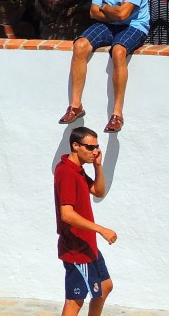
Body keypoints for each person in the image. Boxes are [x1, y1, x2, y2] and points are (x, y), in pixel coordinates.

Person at [59, 0, 148, 134]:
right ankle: (75, 106)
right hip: (110, 25)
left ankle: (117, 114)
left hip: (134, 26)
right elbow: (93, 12)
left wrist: (107, 8)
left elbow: (124, 15)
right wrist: (113, 12)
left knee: (118, 51)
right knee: (80, 45)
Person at [54, 126, 115, 316]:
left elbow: (98, 191)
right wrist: (100, 229)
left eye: (96, 147)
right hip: (76, 248)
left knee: (104, 287)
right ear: (75, 145)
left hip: (88, 244)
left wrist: (98, 166)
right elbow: (67, 214)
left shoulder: (77, 170)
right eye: (90, 147)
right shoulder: (67, 173)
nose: (95, 151)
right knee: (75, 301)